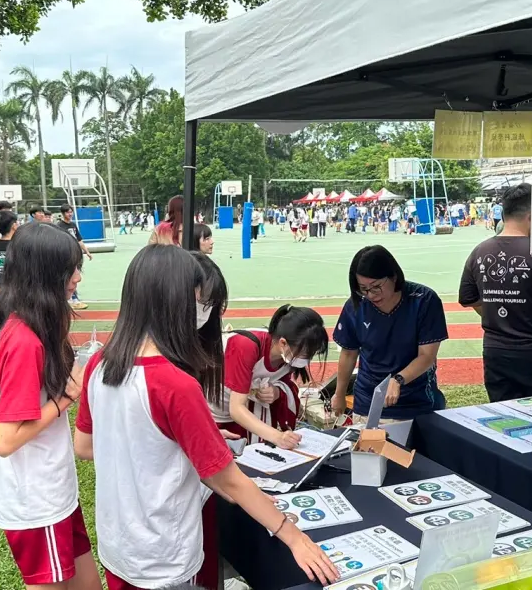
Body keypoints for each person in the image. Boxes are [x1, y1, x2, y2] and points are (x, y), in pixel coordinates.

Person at [73, 244, 338, 590]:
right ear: (173, 300)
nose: (204, 313)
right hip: (166, 555)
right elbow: (228, 481)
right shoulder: (174, 383)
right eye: (199, 301)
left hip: (119, 545)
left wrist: (178, 439)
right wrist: (293, 536)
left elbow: (85, 445)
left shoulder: (99, 363)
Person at [0, 221, 101, 590]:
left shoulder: (20, 324)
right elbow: (5, 440)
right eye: (71, 269)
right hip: (37, 500)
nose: (78, 277)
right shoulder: (24, 340)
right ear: (45, 274)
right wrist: (67, 396)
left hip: (52, 490)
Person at [459, 184, 532, 401]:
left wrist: (502, 313)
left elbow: (470, 299)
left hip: (496, 354)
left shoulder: (479, 251)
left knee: (505, 420)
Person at [331, 246, 448, 422]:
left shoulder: (424, 300)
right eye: (363, 288)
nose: (370, 295)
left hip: (416, 402)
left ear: (393, 276)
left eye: (376, 287)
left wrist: (398, 380)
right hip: (367, 403)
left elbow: (427, 356)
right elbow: (348, 353)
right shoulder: (356, 305)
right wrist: (339, 394)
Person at [214, 304, 330, 447]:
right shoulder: (246, 346)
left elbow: (285, 385)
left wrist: (276, 392)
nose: (307, 360)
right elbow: (236, 409)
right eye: (306, 354)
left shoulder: (288, 357)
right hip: (213, 415)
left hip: (246, 419)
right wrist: (277, 437)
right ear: (283, 343)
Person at [57, 205, 93, 311]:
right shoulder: (59, 226)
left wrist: (87, 251)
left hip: (75, 254)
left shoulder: (72, 225)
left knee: (75, 276)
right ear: (63, 214)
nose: (70, 214)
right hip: (66, 254)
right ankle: (70, 298)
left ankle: (73, 298)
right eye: (68, 212)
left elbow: (79, 239)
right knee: (68, 277)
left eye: (71, 212)